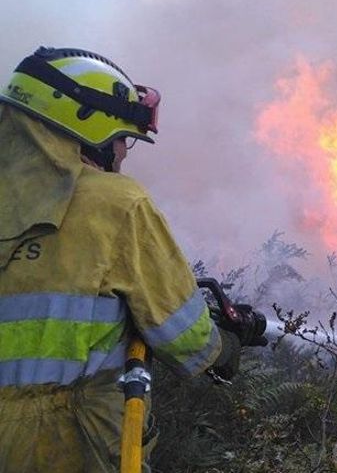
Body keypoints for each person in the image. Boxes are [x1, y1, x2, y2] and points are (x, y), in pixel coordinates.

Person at [0, 47, 246, 472]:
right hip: (71, 441)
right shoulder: (116, 204)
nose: (126, 152)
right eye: (122, 138)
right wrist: (227, 348)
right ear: (85, 126)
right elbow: (184, 336)